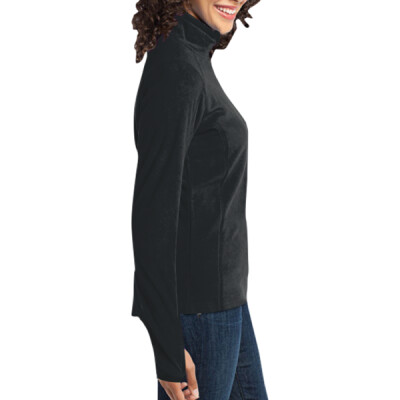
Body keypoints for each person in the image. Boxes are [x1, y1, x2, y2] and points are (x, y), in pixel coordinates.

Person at [130, 0, 268, 399]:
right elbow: (152, 214)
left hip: (226, 302)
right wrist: (168, 348)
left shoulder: (192, 55)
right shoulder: (177, 69)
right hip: (202, 312)